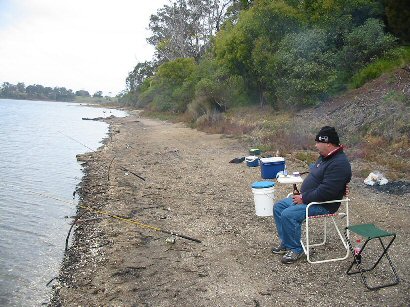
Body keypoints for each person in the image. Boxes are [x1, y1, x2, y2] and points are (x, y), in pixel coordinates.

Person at [272, 126, 352, 264]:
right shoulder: (325, 158)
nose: (315, 146)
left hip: (323, 204)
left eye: (318, 142)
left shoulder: (339, 163)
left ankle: (297, 250)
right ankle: (287, 242)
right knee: (279, 207)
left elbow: (326, 192)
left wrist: (303, 198)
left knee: (288, 214)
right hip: (309, 199)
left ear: (328, 143)